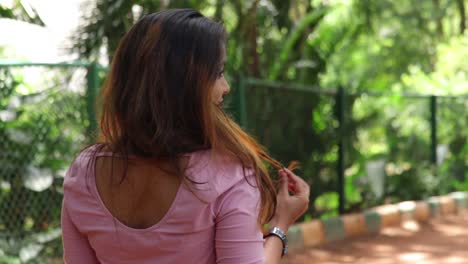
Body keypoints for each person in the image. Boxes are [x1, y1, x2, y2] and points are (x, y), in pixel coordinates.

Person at [61, 9, 310, 264]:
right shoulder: (227, 176)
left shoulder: (84, 173)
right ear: (187, 85)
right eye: (218, 73)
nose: (226, 88)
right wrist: (281, 225)